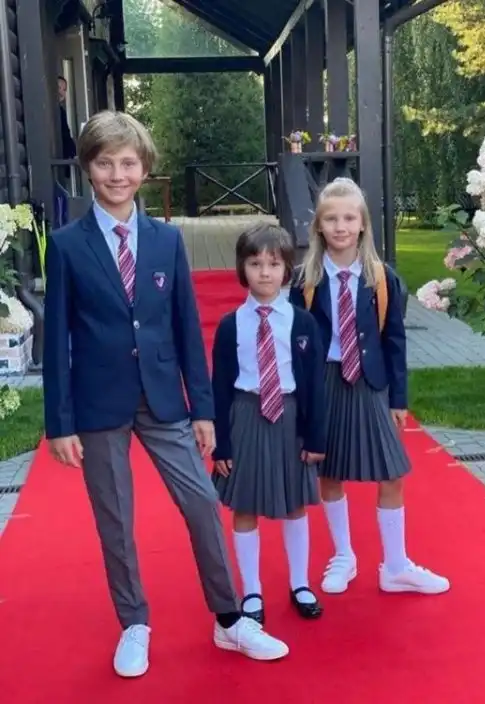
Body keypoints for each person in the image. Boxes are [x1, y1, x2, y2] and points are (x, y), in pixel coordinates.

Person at [42, 110, 289, 678]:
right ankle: (134, 623)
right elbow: (56, 341)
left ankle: (229, 619)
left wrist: (203, 409)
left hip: (164, 398)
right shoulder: (67, 245)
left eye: (128, 163)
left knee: (201, 502)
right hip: (98, 403)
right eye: (105, 163)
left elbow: (184, 327)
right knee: (116, 519)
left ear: (144, 168)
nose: (117, 175)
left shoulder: (166, 240)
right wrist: (60, 422)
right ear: (88, 169)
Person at [289, 177, 450, 596]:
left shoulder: (382, 279)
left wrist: (399, 397)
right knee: (329, 471)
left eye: (349, 218)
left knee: (392, 472)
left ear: (362, 224)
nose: (340, 226)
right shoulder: (305, 281)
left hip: (370, 383)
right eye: (331, 219)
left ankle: (395, 565)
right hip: (324, 383)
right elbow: (293, 342)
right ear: (318, 226)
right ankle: (343, 554)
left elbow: (394, 341)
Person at [211, 223, 326, 625]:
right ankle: (252, 590)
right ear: (242, 269)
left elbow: (314, 384)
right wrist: (221, 443)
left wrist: (315, 436)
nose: (264, 272)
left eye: (273, 264)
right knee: (245, 506)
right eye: (255, 263)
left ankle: (300, 583)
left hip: (290, 418)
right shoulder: (231, 325)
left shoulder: (302, 323)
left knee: (295, 505)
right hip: (245, 416)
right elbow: (219, 386)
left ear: (287, 269)